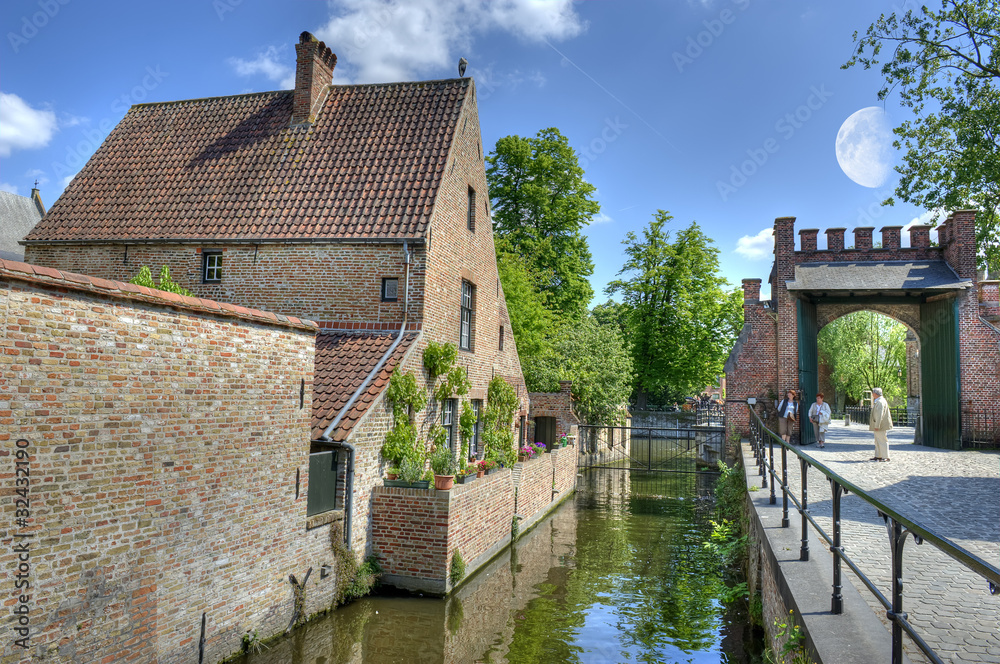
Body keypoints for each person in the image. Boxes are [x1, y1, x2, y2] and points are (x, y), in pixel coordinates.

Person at [869, 387, 893, 461]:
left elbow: (880, 415)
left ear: (875, 394)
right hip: (878, 424)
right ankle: (878, 455)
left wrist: (877, 425)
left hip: (880, 425)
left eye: (873, 393)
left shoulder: (880, 402)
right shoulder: (879, 401)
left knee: (882, 440)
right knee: (877, 440)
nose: (872, 394)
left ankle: (885, 456)